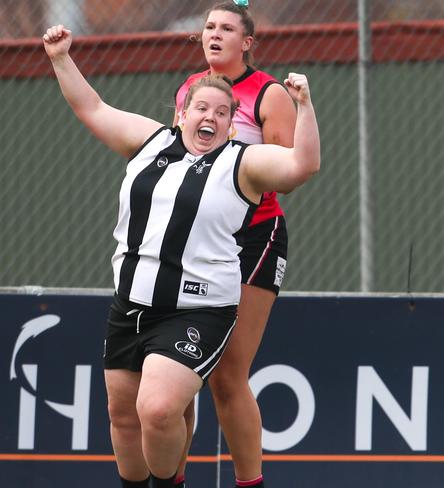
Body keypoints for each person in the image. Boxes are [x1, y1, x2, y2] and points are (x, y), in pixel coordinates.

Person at [42, 23, 319, 488]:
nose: (209, 117)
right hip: (131, 303)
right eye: (200, 108)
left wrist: (305, 107)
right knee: (124, 416)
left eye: (222, 112)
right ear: (181, 114)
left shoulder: (241, 163)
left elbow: (301, 165)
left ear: (233, 125)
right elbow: (92, 107)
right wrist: (60, 58)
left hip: (197, 308)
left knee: (158, 408)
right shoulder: (152, 142)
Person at [172, 3, 296, 488]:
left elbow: (285, 176)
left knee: (226, 375)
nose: (214, 35)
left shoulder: (269, 94)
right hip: (195, 236)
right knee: (177, 371)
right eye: (208, 27)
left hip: (253, 236)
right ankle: (170, 477)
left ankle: (250, 482)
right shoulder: (190, 90)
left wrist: (230, 169)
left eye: (227, 29)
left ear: (247, 42)